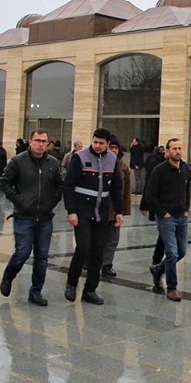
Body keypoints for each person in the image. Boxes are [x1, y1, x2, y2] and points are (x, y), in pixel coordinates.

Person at [0, 129, 63, 307]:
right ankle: (8, 276)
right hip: (24, 216)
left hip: (45, 217)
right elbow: (4, 182)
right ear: (30, 141)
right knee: (23, 252)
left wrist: (52, 202)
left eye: (44, 141)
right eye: (38, 140)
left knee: (42, 256)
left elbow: (60, 185)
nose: (41, 144)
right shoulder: (18, 161)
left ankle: (36, 292)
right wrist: (19, 201)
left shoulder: (53, 163)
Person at [62, 128, 122, 305]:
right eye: (95, 142)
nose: (97, 145)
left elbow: (116, 188)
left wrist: (118, 211)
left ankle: (90, 290)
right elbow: (68, 185)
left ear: (107, 144)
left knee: (98, 252)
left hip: (101, 213)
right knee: (83, 247)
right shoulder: (80, 157)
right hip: (82, 211)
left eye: (101, 143)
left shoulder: (112, 159)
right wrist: (71, 210)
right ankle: (72, 283)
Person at [144, 138, 191, 301]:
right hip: (166, 218)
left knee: (182, 252)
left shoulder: (185, 168)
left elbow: (186, 190)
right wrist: (163, 213)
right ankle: (172, 288)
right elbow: (151, 195)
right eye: (174, 149)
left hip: (181, 217)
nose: (177, 151)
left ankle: (158, 269)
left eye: (180, 148)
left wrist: (186, 209)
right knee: (172, 252)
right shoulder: (159, 170)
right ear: (167, 151)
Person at [101, 137, 131, 278]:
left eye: (116, 148)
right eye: (111, 147)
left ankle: (107, 264)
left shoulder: (123, 166)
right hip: (100, 207)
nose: (113, 150)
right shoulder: (99, 162)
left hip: (115, 209)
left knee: (113, 238)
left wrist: (125, 210)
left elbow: (126, 190)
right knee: (97, 237)